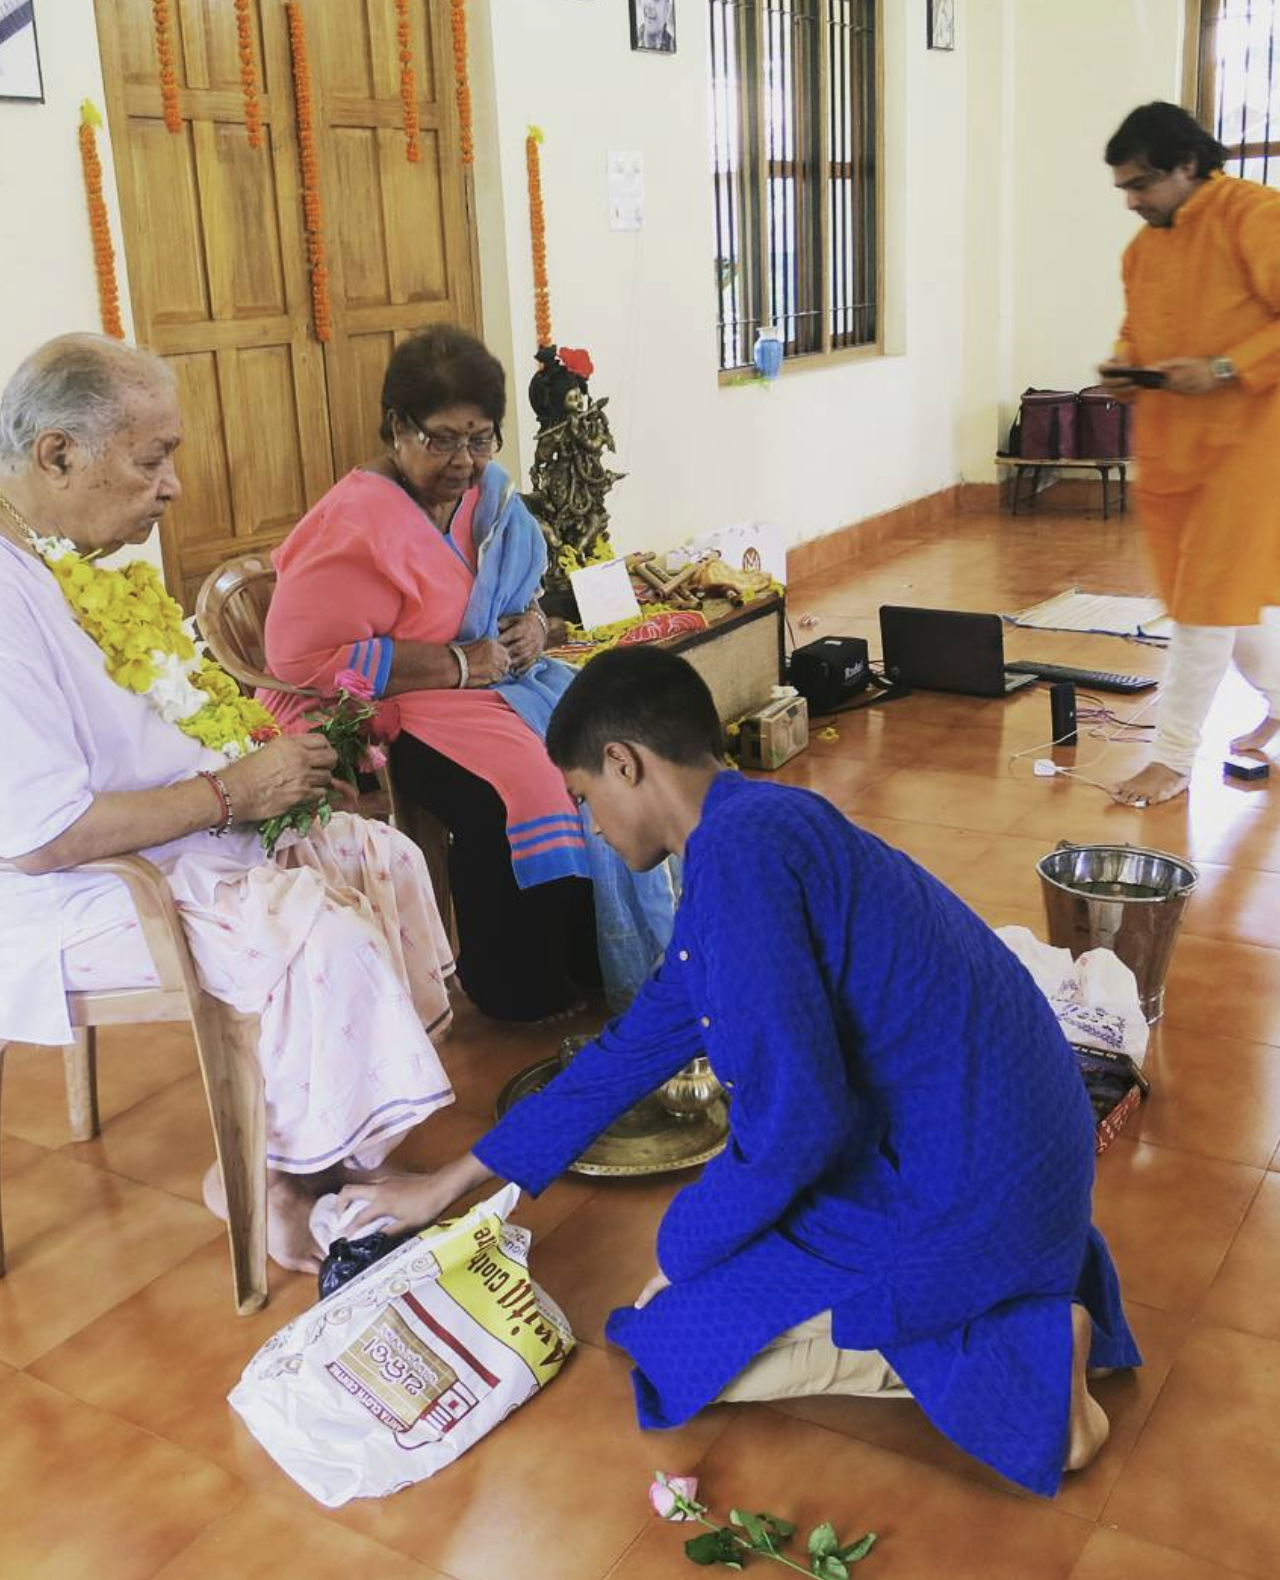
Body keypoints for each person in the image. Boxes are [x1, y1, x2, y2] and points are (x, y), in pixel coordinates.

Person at [342, 646, 1141, 1498]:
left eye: (585, 799)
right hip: (1001, 1147)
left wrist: (687, 1247)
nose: (593, 827)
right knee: (695, 1284)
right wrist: (446, 1185)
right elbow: (632, 1049)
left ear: (625, 763)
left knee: (668, 1342)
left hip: (969, 1184)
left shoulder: (741, 862)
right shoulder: (757, 826)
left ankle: (1032, 1364)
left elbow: (802, 1123)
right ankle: (1014, 1313)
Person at [0, 333, 456, 1274]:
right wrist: (232, 790)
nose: (173, 484)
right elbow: (43, 837)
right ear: (58, 454)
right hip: (70, 894)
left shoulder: (26, 538)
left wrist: (250, 768)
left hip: (151, 838)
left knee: (378, 855)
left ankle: (334, 1143)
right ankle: (264, 1182)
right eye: (153, 460)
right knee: (321, 924)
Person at [261, 325, 674, 1023]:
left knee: (606, 740)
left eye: (481, 439)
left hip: (498, 685)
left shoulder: (492, 501)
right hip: (396, 707)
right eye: (442, 439)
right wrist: (457, 662)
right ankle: (516, 984)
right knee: (526, 781)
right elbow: (299, 658)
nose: (463, 461)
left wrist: (533, 627)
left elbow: (520, 596)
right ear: (397, 426)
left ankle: (594, 955)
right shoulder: (355, 522)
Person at [1098, 101, 1280, 806]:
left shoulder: (1254, 216)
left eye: (1142, 184)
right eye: (1124, 189)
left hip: (1251, 446)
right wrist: (1123, 367)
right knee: (1222, 600)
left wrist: (1229, 369)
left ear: (1188, 165)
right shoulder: (1143, 249)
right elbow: (1136, 329)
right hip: (1174, 450)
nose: (1134, 201)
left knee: (1207, 603)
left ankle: (1171, 758)